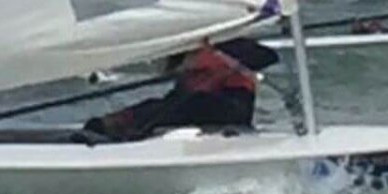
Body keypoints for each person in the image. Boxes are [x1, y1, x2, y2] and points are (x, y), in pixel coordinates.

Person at [82, 40, 261, 142]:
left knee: (192, 103)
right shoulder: (194, 72)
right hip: (198, 109)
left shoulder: (218, 61)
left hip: (226, 112)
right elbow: (164, 106)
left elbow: (181, 107)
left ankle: (133, 133)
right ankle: (115, 125)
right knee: (166, 105)